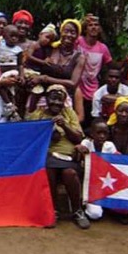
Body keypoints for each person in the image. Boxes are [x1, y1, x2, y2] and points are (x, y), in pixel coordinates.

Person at [27, 85, 89, 229]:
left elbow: (78, 138)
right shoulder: (39, 114)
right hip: (47, 156)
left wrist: (65, 126)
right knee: (49, 170)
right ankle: (52, 210)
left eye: (59, 100)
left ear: (64, 101)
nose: (56, 103)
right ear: (47, 99)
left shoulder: (69, 114)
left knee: (70, 173)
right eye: (52, 99)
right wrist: (49, 133)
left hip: (68, 157)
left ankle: (77, 211)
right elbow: (30, 137)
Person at [28, 19, 86, 108]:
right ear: (61, 32)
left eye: (73, 32)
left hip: (61, 102)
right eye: (66, 31)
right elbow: (30, 60)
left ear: (77, 36)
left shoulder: (79, 57)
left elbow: (73, 83)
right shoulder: (49, 48)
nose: (69, 35)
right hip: (40, 97)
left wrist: (45, 78)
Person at [75, 120, 119, 221]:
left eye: (105, 133)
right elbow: (78, 157)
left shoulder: (110, 146)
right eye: (99, 133)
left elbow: (117, 162)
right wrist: (79, 150)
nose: (102, 136)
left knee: (121, 209)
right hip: (91, 185)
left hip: (107, 183)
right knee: (95, 214)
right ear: (92, 133)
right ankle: (86, 204)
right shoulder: (86, 143)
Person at [77, 14, 113, 128]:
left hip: (93, 90)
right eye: (90, 25)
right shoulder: (78, 41)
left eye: (96, 25)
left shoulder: (103, 48)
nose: (93, 27)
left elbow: (109, 67)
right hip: (77, 88)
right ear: (85, 28)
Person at [0, 24, 25, 120]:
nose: (14, 39)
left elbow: (21, 65)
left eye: (16, 36)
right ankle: (11, 108)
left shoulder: (18, 50)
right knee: (4, 88)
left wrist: (22, 76)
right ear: (4, 36)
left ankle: (10, 105)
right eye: (11, 36)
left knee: (4, 87)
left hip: (13, 72)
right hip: (2, 72)